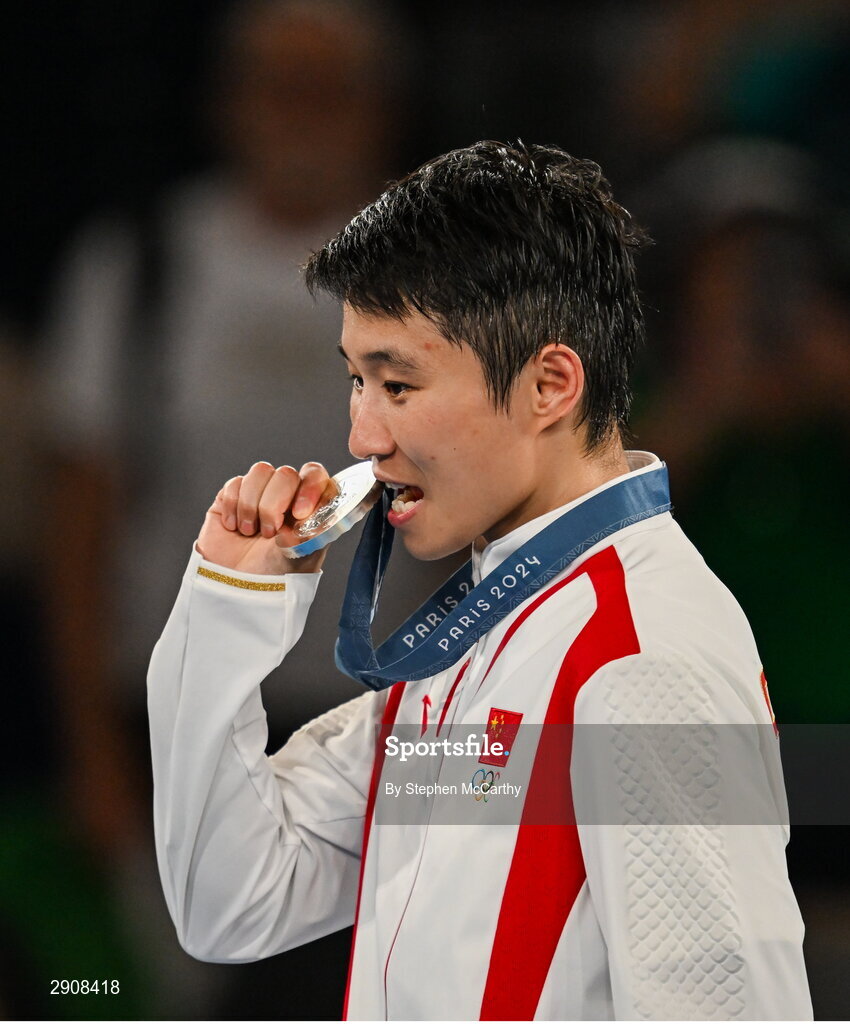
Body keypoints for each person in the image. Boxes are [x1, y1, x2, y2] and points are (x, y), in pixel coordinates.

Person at [147, 141, 812, 1020]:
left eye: (398, 383)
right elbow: (231, 902)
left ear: (549, 385)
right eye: (355, 380)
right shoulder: (484, 637)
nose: (363, 437)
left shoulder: (638, 660)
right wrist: (229, 612)